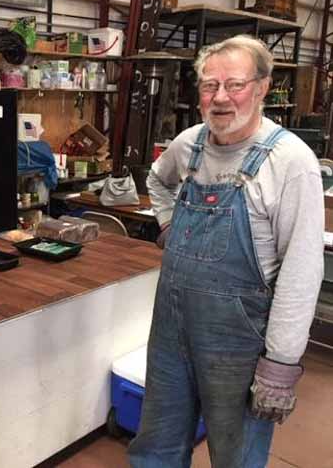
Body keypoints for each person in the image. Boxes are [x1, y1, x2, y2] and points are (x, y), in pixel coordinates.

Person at [129, 35, 324, 467]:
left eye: (234, 85)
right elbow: (158, 181)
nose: (220, 98)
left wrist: (281, 363)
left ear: (261, 87)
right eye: (208, 85)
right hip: (171, 330)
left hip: (239, 343)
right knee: (155, 446)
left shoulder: (291, 161)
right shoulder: (190, 144)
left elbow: (301, 272)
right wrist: (167, 224)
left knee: (236, 458)